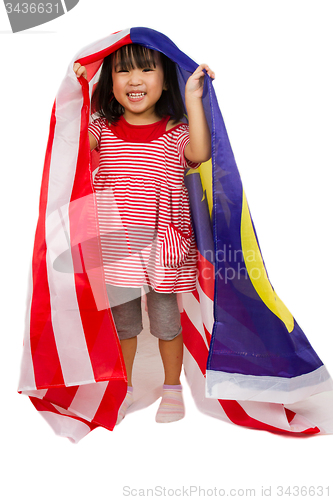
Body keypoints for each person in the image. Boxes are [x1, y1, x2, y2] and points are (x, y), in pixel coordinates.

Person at [73, 43, 214, 425]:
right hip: (117, 250)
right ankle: (125, 387)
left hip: (161, 248)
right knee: (124, 326)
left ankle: (172, 388)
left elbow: (200, 151)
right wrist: (79, 90)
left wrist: (193, 97)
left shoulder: (175, 133)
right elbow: (70, 148)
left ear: (165, 80)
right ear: (111, 81)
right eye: (122, 71)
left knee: (167, 323)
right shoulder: (101, 129)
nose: (135, 80)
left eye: (146, 70)